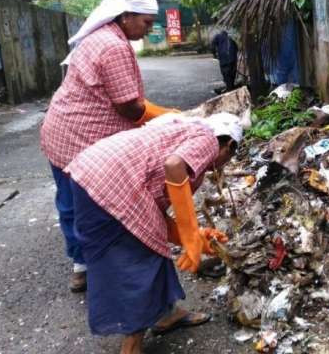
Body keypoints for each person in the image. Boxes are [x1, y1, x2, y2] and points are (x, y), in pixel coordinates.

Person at [66, 112, 242, 354]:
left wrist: (194, 237)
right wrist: (190, 235)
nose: (220, 165)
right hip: (115, 184)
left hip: (89, 174)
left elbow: (156, 214)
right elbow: (174, 166)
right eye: (229, 158)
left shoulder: (183, 126)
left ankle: (165, 314)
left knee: (147, 245)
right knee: (142, 262)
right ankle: (132, 347)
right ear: (230, 145)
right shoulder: (209, 140)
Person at [40, 0, 177, 293]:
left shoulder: (100, 38)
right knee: (96, 204)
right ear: (126, 16)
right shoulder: (113, 46)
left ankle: (82, 265)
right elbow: (129, 107)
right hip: (80, 138)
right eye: (145, 23)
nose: (148, 29)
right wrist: (168, 117)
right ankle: (100, 268)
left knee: (70, 203)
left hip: (61, 130)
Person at [210, 30, 239, 94]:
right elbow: (237, 48)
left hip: (224, 59)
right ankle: (230, 89)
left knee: (226, 75)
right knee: (231, 75)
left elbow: (212, 45)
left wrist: (214, 54)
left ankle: (229, 91)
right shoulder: (231, 39)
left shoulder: (218, 36)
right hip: (233, 59)